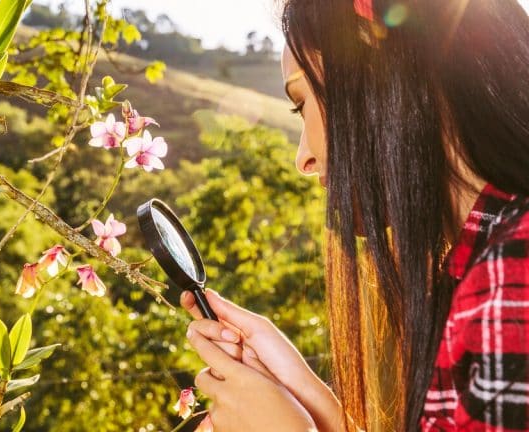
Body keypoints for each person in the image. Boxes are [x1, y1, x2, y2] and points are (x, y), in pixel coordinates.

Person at [181, 0, 529, 430]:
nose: (302, 159)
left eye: (301, 103)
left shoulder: (514, 274)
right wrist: (313, 406)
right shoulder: (477, 270)